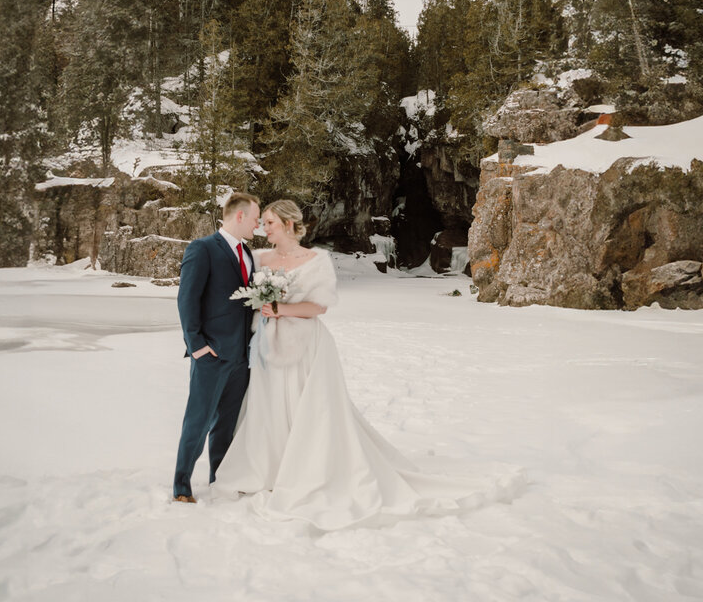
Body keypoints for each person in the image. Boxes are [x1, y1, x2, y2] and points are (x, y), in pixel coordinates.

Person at [214, 198, 521, 529]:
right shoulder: (258, 258)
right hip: (267, 346)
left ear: (289, 224)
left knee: (310, 410)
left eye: (270, 222)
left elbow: (319, 307)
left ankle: (308, 470)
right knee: (269, 406)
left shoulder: (315, 260)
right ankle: (268, 468)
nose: (264, 228)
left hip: (306, 345)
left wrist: (280, 309)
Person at [172, 192, 261, 503]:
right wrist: (196, 345)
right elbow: (187, 299)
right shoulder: (203, 248)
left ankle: (219, 479)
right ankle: (182, 484)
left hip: (241, 355)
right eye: (255, 218)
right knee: (198, 421)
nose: (258, 224)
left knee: (226, 425)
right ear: (239, 216)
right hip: (210, 353)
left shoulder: (248, 254)